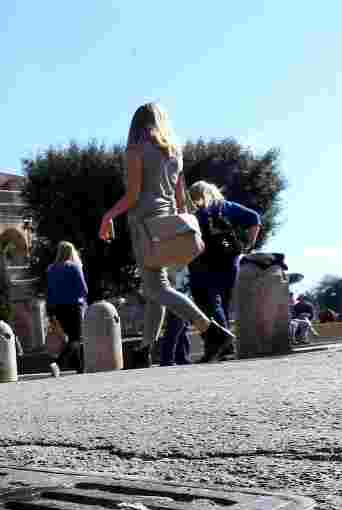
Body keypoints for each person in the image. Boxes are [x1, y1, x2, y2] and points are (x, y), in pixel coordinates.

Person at [99, 103, 235, 367]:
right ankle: (143, 351)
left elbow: (133, 196)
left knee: (155, 287)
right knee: (156, 289)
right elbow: (181, 198)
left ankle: (212, 332)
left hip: (145, 226)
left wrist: (108, 216)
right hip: (168, 226)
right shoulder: (173, 152)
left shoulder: (135, 150)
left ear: (135, 124)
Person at [187, 181, 262, 343]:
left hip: (204, 260)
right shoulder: (226, 206)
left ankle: (222, 343)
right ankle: (223, 344)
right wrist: (249, 244)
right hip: (230, 258)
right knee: (223, 302)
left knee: (208, 302)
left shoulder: (194, 211)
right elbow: (254, 218)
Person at [46, 241, 88, 374]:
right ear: (71, 253)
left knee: (69, 338)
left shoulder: (51, 269)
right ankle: (57, 363)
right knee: (75, 339)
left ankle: (79, 367)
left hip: (57, 308)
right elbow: (84, 289)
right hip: (73, 306)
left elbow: (49, 291)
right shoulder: (74, 267)